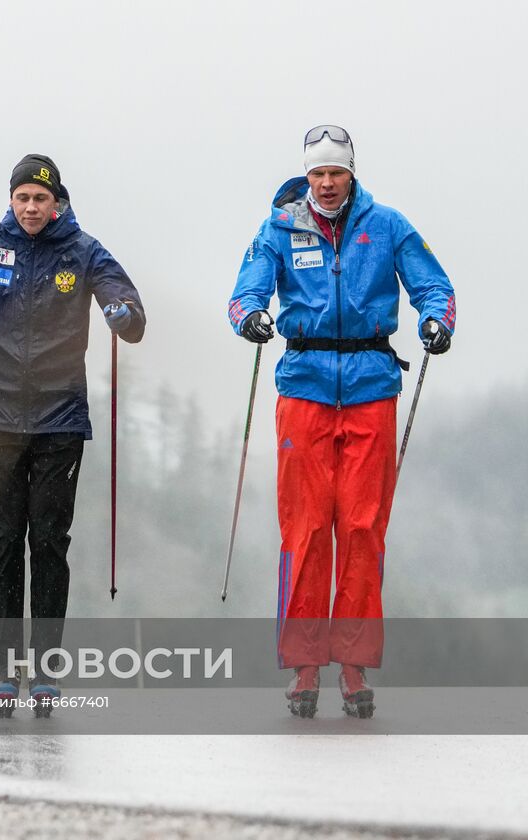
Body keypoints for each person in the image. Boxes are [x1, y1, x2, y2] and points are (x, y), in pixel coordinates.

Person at [228, 126, 456, 719]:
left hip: (371, 386)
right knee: (304, 526)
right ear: (306, 178)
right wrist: (251, 315)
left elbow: (435, 285)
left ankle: (352, 666)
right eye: (317, 175)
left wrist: (437, 322)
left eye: (336, 173)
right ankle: (305, 664)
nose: (327, 184)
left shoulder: (388, 226)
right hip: (302, 386)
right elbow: (243, 293)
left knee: (361, 526)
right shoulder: (278, 228)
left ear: (352, 173)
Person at [0, 153, 144, 714]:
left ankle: (44, 672)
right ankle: (2, 671)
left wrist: (122, 312)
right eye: (22, 198)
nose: (31, 207)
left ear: (57, 201)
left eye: (41, 199)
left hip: (60, 419)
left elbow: (130, 310)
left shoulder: (84, 250)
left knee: (47, 544)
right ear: (11, 199)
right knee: (0, 544)